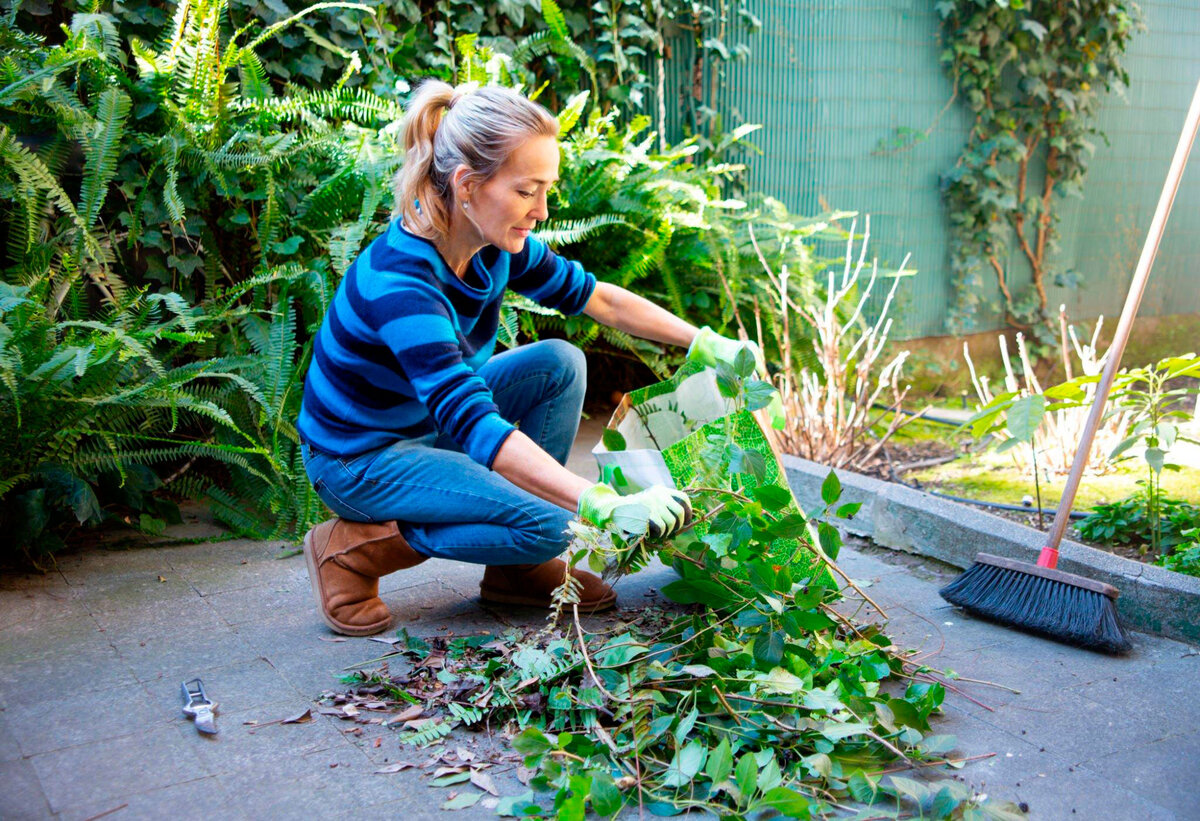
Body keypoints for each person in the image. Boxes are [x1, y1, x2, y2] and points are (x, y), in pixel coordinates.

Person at [297, 80, 768, 636]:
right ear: (468, 184)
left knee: (559, 363)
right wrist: (601, 503)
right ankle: (353, 549)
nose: (542, 210)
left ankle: (514, 569)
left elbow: (599, 298)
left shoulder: (491, 241)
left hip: (422, 424)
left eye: (547, 190)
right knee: (562, 524)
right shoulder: (402, 283)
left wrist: (705, 343)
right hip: (360, 458)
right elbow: (474, 424)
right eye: (528, 191)